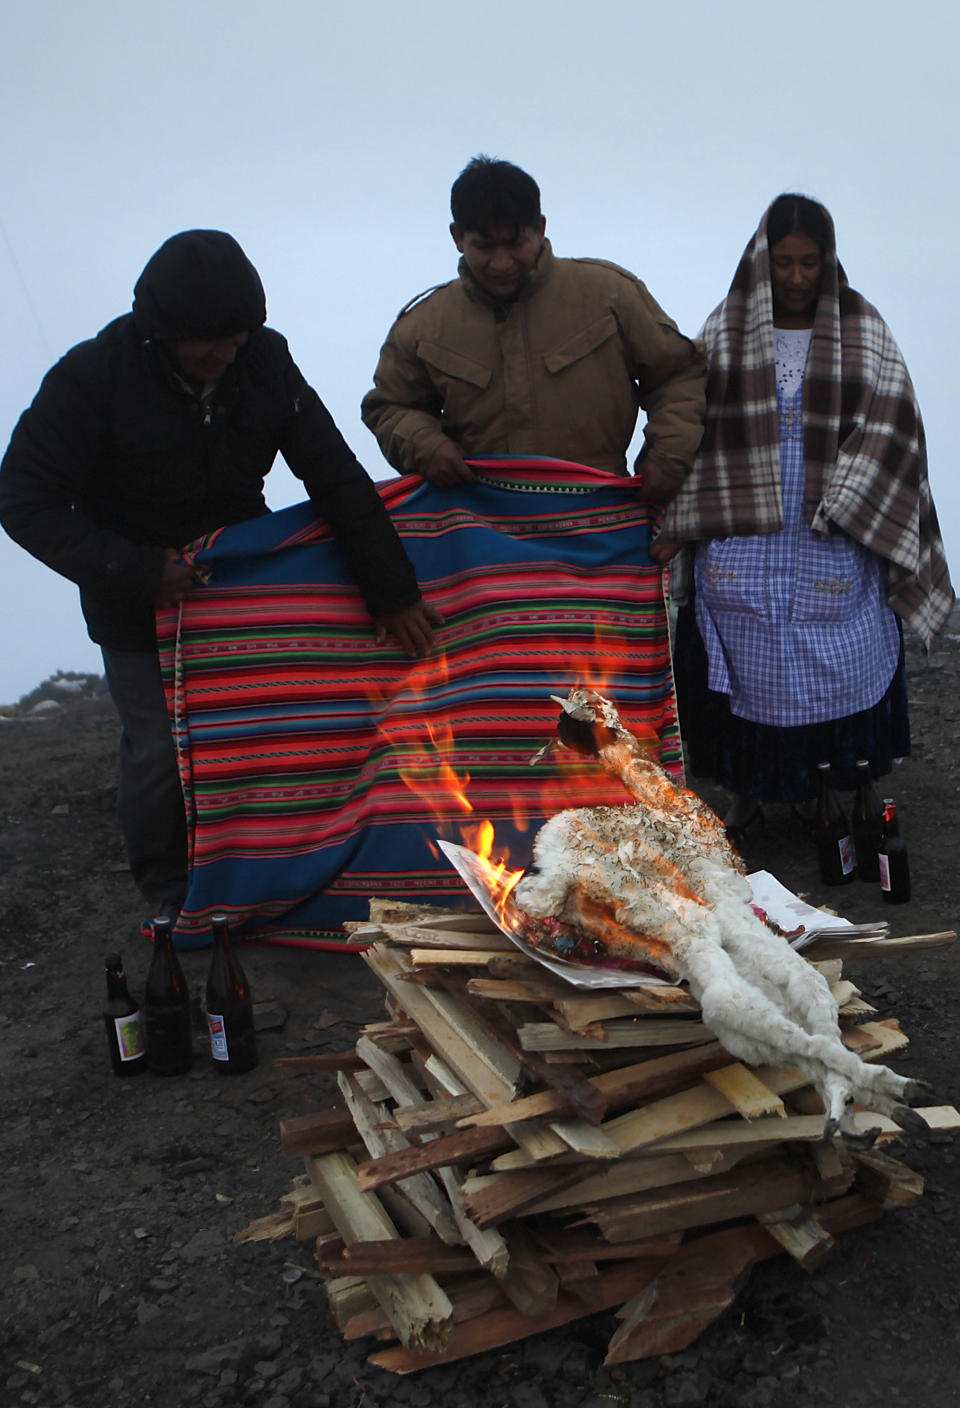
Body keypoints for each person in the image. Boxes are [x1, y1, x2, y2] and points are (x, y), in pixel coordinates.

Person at [0, 229, 440, 916]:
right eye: (209, 340)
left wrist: (393, 592)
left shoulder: (263, 361)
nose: (225, 352)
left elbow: (334, 476)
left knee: (261, 744)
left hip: (239, 588)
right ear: (161, 331)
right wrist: (140, 571)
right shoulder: (92, 377)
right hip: (132, 596)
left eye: (238, 335)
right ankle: (170, 896)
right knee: (157, 754)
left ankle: (262, 879)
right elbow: (23, 498)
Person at [653, 194, 953, 842]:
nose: (795, 277)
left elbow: (893, 426)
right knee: (739, 651)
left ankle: (840, 787)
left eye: (808, 263)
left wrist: (847, 496)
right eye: (783, 263)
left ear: (827, 261)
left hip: (831, 526)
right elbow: (692, 425)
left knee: (842, 648)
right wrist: (679, 515)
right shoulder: (725, 330)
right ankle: (748, 790)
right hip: (743, 529)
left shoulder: (861, 327)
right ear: (763, 262)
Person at [361, 155, 706, 502]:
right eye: (484, 246)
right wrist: (425, 446)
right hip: (480, 525)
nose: (501, 262)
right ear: (457, 237)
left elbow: (677, 376)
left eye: (515, 244)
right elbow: (388, 407)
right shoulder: (422, 326)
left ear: (540, 228)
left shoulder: (609, 296)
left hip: (604, 518)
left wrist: (669, 459)